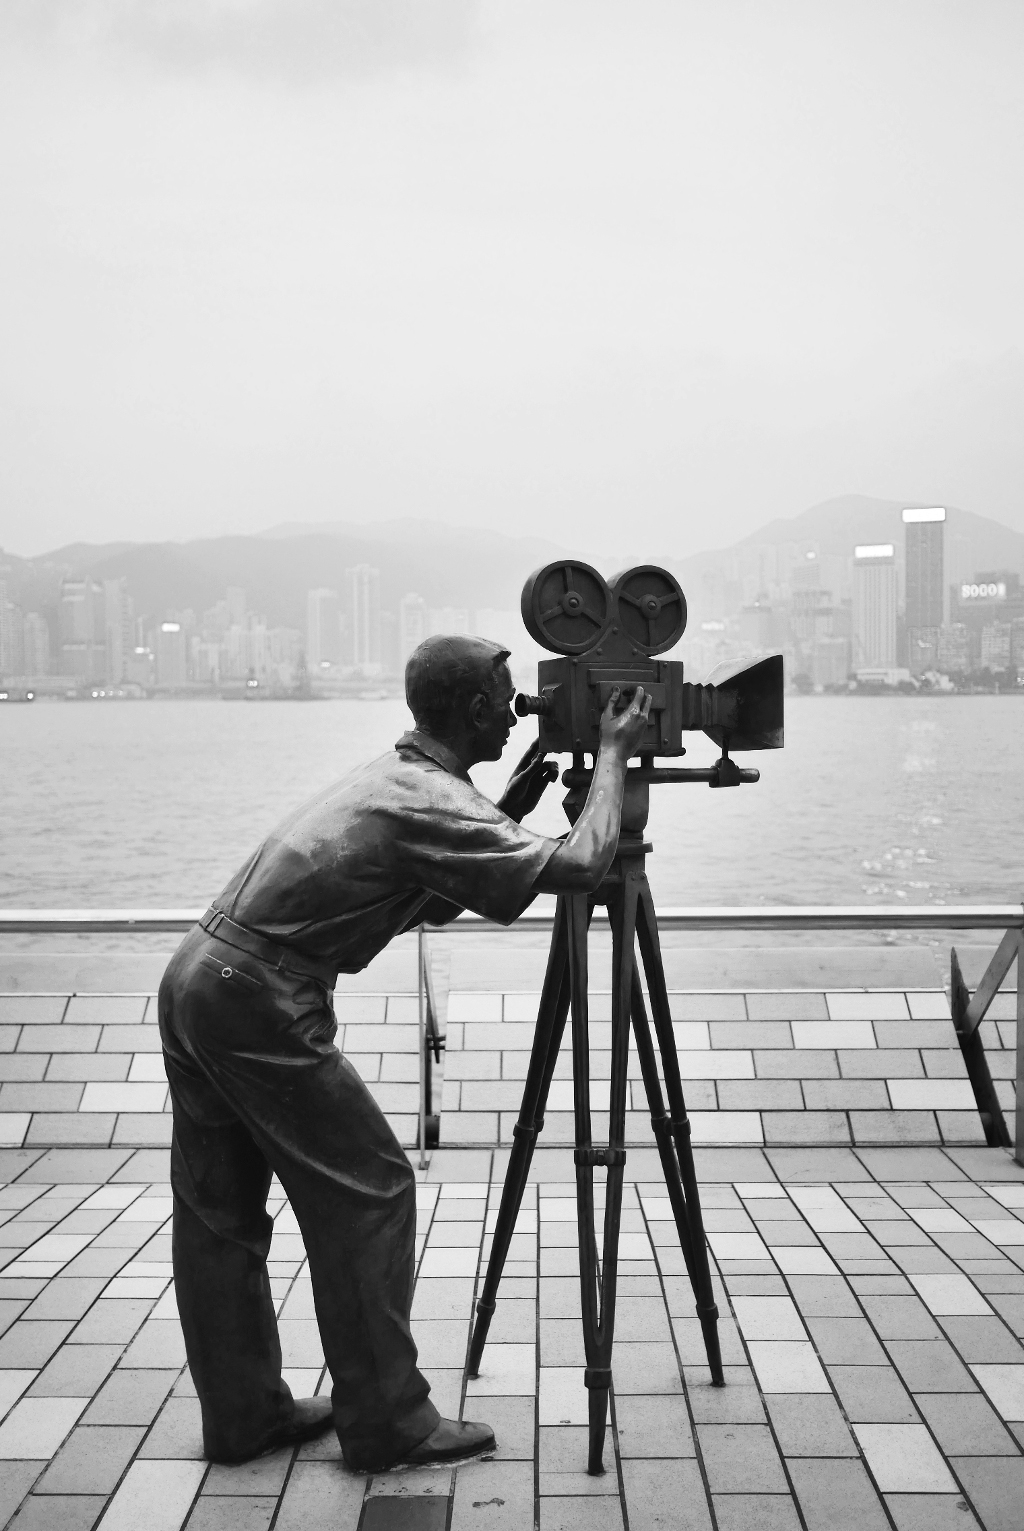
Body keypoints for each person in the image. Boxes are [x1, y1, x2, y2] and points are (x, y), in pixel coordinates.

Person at [158, 634, 651, 1473]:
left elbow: (429, 902)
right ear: (472, 710)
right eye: (506, 698)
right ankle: (388, 1421)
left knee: (220, 1213)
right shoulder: (427, 798)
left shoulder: (404, 779)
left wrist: (515, 798)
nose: (520, 708)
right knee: (371, 1189)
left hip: (201, 975)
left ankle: (243, 1413)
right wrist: (612, 754)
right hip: (260, 997)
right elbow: (580, 863)